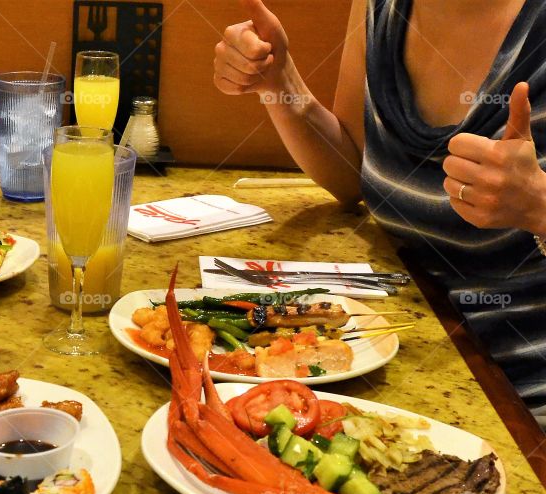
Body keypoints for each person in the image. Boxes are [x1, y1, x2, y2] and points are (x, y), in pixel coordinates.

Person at [213, 0, 546, 426]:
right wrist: (280, 83)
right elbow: (351, 173)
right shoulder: (379, 7)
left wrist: (537, 206)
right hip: (403, 352)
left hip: (522, 392)